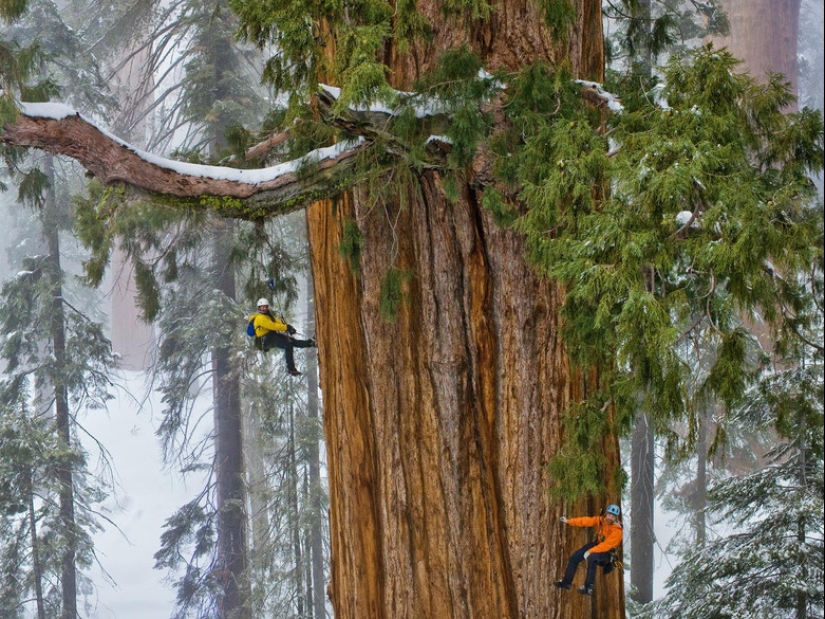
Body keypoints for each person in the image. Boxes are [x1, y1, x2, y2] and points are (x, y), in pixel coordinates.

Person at [553, 503, 623, 596]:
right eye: (609, 515)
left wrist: (590, 551)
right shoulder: (600, 520)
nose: (610, 518)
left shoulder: (617, 531)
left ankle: (588, 587)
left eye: (613, 517)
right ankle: (566, 582)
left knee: (592, 558)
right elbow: (586, 521)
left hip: (608, 553)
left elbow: (606, 545)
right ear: (606, 514)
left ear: (616, 518)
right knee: (575, 557)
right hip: (597, 545)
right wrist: (569, 521)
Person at [249, 298, 316, 376]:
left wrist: (287, 326)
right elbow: (272, 326)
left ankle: (310, 343)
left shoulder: (267, 315)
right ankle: (291, 369)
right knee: (288, 345)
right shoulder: (260, 318)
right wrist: (286, 327)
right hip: (265, 340)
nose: (264, 308)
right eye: (262, 307)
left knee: (292, 341)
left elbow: (275, 321)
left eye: (265, 307)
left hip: (271, 335)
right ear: (259, 308)